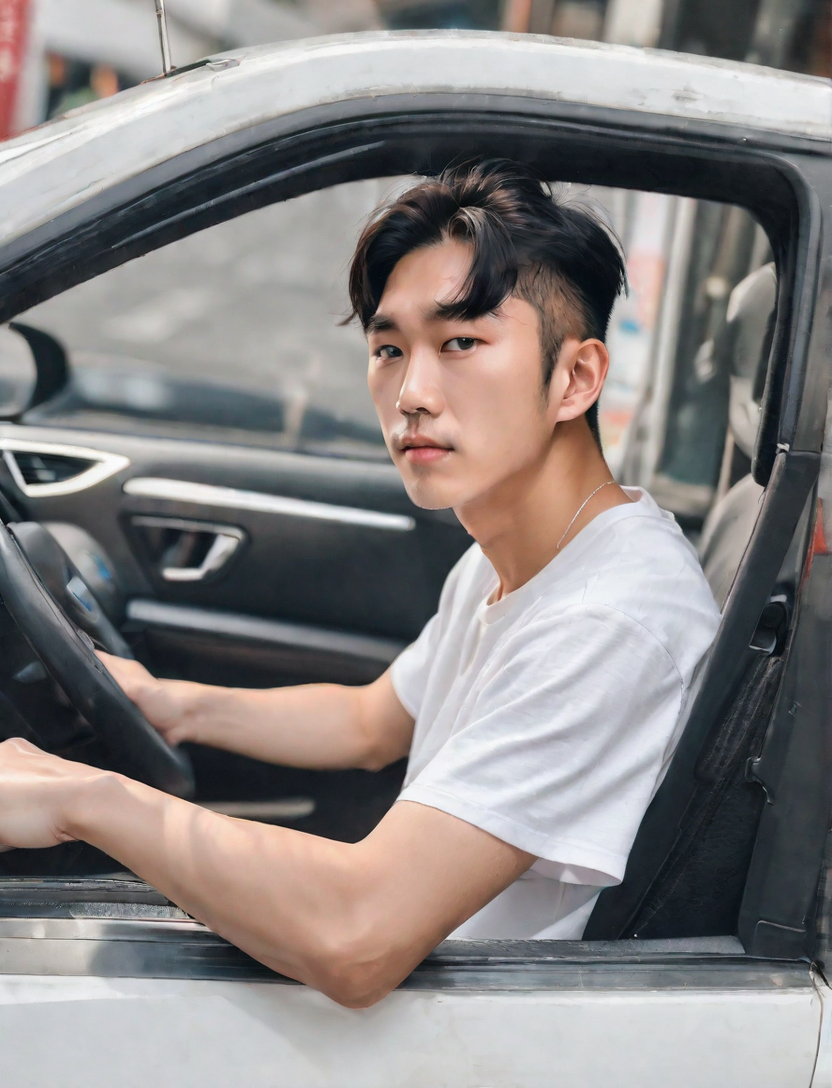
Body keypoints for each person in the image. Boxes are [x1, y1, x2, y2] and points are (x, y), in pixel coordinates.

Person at [0, 160, 720, 1007]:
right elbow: (372, 720)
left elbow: (358, 936)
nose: (411, 392)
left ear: (576, 378)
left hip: (473, 1034)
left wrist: (85, 800)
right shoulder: (514, 550)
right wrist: (178, 704)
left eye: (461, 343)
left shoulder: (613, 617)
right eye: (389, 348)